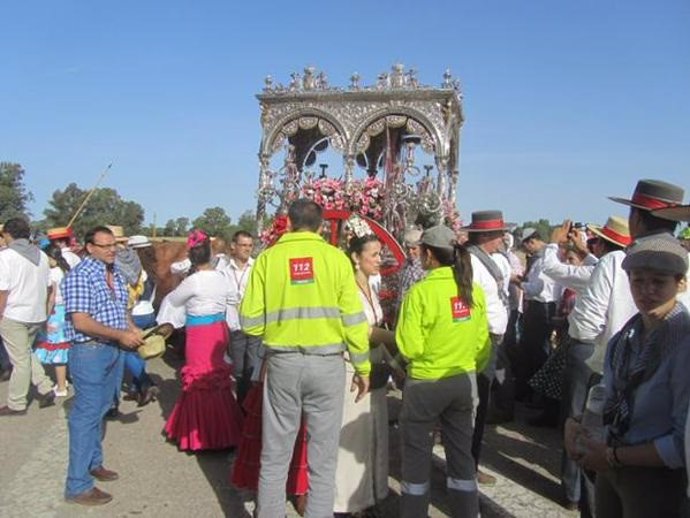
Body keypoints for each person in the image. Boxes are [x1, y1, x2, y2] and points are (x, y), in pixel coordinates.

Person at [240, 199, 370, 518]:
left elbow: (249, 321)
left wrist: (278, 329)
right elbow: (354, 319)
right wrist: (363, 366)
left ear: (289, 222)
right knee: (323, 458)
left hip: (282, 363)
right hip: (327, 365)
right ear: (321, 225)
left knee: (274, 454)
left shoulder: (268, 260)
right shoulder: (336, 259)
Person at [565, 236, 690, 517]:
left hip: (655, 480)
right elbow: (607, 398)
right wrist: (576, 424)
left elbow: (683, 442)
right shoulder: (624, 339)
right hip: (614, 467)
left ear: (680, 283)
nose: (646, 291)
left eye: (658, 282)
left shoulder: (684, 348)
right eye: (637, 281)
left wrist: (612, 456)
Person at [396, 224, 491, 518]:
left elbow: (409, 346)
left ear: (428, 254)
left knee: (416, 457)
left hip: (426, 384)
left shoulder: (421, 292)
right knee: (462, 457)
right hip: (463, 382)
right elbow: (482, 345)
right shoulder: (472, 290)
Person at [62, 225, 145, 506]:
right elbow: (81, 322)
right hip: (90, 351)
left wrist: (132, 330)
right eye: (106, 245)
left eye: (114, 245)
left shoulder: (114, 273)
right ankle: (77, 485)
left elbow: (121, 310)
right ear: (90, 247)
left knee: (100, 409)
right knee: (85, 415)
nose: (112, 249)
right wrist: (122, 334)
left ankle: (93, 462)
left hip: (111, 349)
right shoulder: (80, 276)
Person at [562, 215, 635, 511]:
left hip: (602, 362)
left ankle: (574, 493)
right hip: (641, 370)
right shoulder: (681, 259)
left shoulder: (613, 262)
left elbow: (584, 324)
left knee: (584, 426)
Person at [164, 229, 244, 451]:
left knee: (199, 376)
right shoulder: (221, 278)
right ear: (210, 254)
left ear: (191, 257)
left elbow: (174, 299)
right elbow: (232, 298)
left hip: (199, 332)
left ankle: (201, 432)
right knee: (216, 376)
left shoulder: (193, 281)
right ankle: (223, 428)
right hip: (219, 330)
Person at [334, 226, 390, 515]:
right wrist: (394, 338)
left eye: (380, 254)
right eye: (374, 255)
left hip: (376, 364)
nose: (379, 259)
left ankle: (373, 492)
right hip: (354, 367)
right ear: (356, 257)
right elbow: (361, 329)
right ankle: (348, 502)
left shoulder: (372, 285)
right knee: (354, 435)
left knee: (375, 431)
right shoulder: (349, 289)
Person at [462, 210, 511, 485]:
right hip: (482, 340)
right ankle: (468, 465)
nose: (503, 238)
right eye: (498, 233)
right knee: (477, 404)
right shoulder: (470, 261)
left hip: (493, 338)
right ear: (485, 236)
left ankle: (470, 461)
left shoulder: (494, 260)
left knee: (481, 401)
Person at [0, 218, 56, 416]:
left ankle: (16, 402)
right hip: (36, 313)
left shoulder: (6, 257)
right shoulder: (41, 255)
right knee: (24, 353)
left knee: (20, 360)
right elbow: (50, 287)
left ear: (8, 234)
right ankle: (45, 386)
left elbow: (3, 291)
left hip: (13, 313)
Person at [515, 228, 564, 401]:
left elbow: (537, 288)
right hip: (542, 307)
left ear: (532, 242)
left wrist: (519, 283)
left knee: (536, 352)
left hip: (541, 308)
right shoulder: (542, 259)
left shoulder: (544, 260)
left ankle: (535, 394)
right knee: (534, 350)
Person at [223, 230, 260, 404]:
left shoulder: (258, 268)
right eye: (243, 245)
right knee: (238, 369)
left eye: (250, 246)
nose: (247, 249)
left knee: (251, 369)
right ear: (233, 246)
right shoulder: (223, 270)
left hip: (253, 325)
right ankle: (238, 404)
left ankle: (244, 407)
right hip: (233, 325)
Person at [124, 235, 159, 407]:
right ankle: (135, 387)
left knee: (126, 352)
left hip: (135, 313)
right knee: (140, 352)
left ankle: (146, 383)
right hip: (149, 311)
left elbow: (130, 298)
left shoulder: (136, 272)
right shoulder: (151, 270)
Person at [34, 243, 72, 397]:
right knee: (62, 349)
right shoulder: (64, 271)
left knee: (57, 352)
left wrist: (45, 316)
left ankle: (61, 386)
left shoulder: (53, 273)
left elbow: (51, 298)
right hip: (65, 312)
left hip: (55, 312)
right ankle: (64, 381)